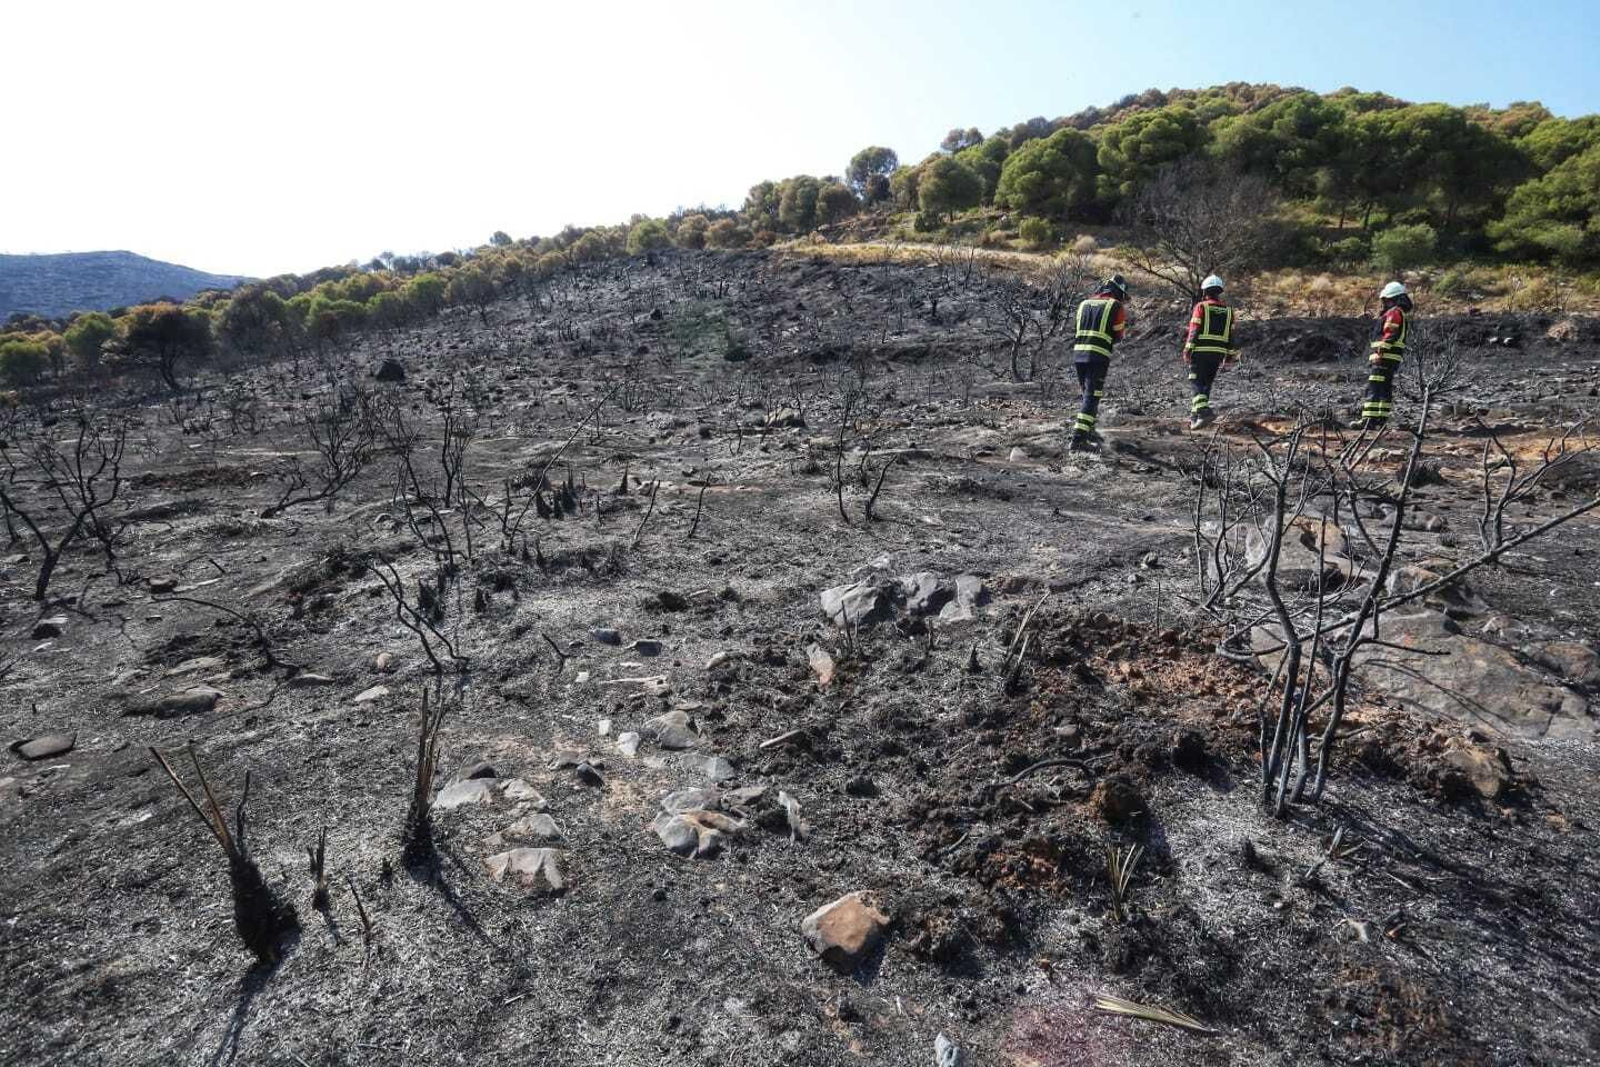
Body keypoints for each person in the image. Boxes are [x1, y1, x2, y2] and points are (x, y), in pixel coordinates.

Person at [1069, 275, 1129, 452]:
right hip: (1098, 356)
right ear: (1118, 291)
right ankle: (1078, 439)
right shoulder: (1115, 306)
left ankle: (1089, 430)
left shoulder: (1084, 304)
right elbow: (1118, 335)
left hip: (1079, 354)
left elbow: (1078, 328)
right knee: (1092, 396)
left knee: (1087, 394)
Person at [1182, 274, 1237, 430]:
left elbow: (1194, 329)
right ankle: (1195, 417)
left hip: (1200, 351)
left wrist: (1188, 349)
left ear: (1205, 292)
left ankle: (1204, 412)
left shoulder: (1201, 307)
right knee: (1206, 384)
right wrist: (1230, 355)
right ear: (1219, 291)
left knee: (1196, 381)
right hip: (1218, 353)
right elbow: (1231, 335)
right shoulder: (1229, 311)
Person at [1360, 281, 1412, 428]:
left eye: (1386, 300)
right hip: (1392, 358)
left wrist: (1381, 349)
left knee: (1374, 386)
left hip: (1384, 357)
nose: (1383, 303)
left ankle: (1369, 420)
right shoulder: (1399, 312)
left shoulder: (1393, 312)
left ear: (1392, 299)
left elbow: (1391, 332)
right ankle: (1381, 419)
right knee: (1384, 387)